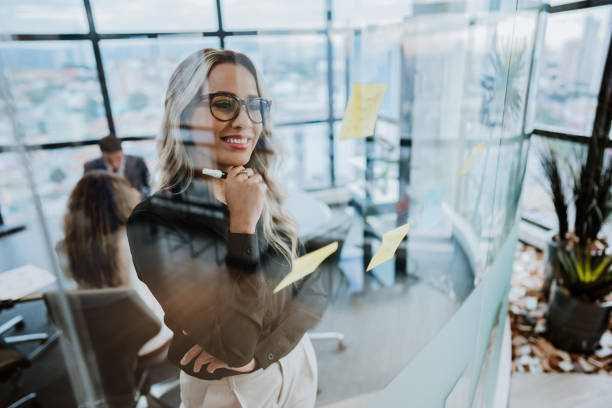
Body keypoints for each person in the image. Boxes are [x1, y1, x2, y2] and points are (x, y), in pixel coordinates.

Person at [126, 48, 331, 407]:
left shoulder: (257, 187)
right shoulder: (155, 222)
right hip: (231, 391)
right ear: (183, 116)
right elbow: (235, 347)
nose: (245, 122)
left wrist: (266, 353)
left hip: (293, 362)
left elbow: (314, 291)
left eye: (254, 106)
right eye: (223, 104)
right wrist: (243, 226)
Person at [56, 171, 172, 356]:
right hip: (149, 336)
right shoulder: (136, 241)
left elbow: (72, 281)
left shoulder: (64, 247)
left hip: (101, 338)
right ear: (121, 200)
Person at [84, 134, 151, 197]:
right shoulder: (90, 168)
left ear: (122, 151)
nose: (115, 165)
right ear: (102, 155)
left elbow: (150, 187)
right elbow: (87, 194)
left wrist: (140, 195)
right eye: (109, 161)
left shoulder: (138, 162)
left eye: (118, 159)